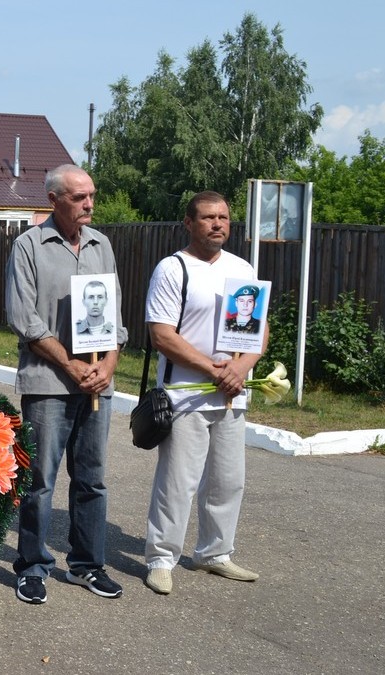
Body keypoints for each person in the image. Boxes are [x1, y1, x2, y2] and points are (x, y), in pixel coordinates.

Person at [5, 164, 126, 604]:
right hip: (49, 384)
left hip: (97, 384)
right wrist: (72, 365)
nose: (89, 204)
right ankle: (33, 565)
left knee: (91, 479)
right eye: (79, 197)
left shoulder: (101, 245)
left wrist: (109, 363)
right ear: (54, 200)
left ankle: (87, 565)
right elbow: (24, 319)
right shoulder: (28, 246)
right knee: (39, 480)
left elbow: (114, 317)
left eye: (91, 195)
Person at [142, 191, 268, 595]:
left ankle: (215, 553)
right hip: (186, 394)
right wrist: (215, 369)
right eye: (208, 217)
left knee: (228, 480)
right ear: (189, 223)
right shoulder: (173, 269)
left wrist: (240, 369)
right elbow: (162, 335)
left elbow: (259, 331)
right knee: (178, 481)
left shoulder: (242, 268)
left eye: (224, 217)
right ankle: (162, 558)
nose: (218, 224)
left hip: (231, 393)